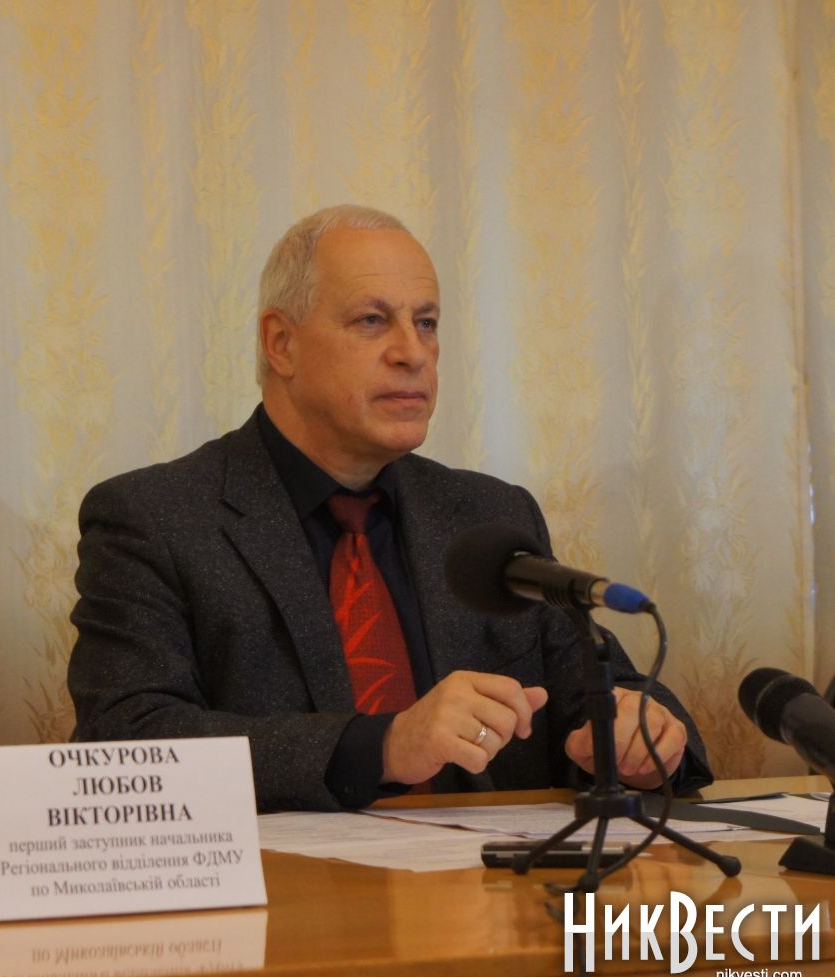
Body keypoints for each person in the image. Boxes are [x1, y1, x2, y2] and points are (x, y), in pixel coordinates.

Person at [67, 205, 711, 812]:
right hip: (292, 891)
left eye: (426, 322)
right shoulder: (156, 519)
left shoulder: (486, 515)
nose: (412, 352)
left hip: (489, 884)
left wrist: (637, 742)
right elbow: (125, 743)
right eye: (372, 320)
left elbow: (597, 695)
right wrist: (383, 746)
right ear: (281, 343)